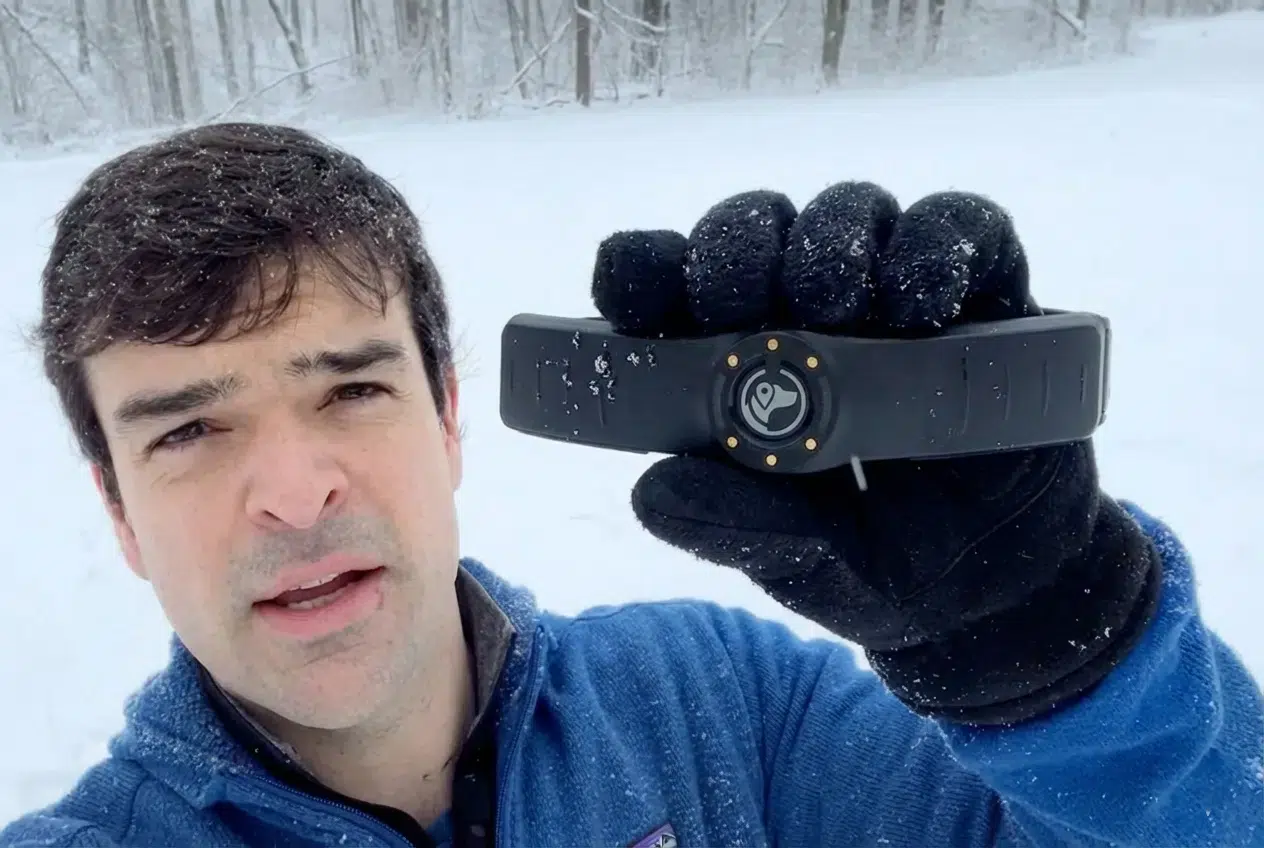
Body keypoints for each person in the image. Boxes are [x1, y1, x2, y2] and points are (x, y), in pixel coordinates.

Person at [1, 121, 1260, 848]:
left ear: (447, 418)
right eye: (187, 432)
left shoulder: (728, 706)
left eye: (350, 388)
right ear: (118, 509)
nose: (292, 490)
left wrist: (1058, 657)